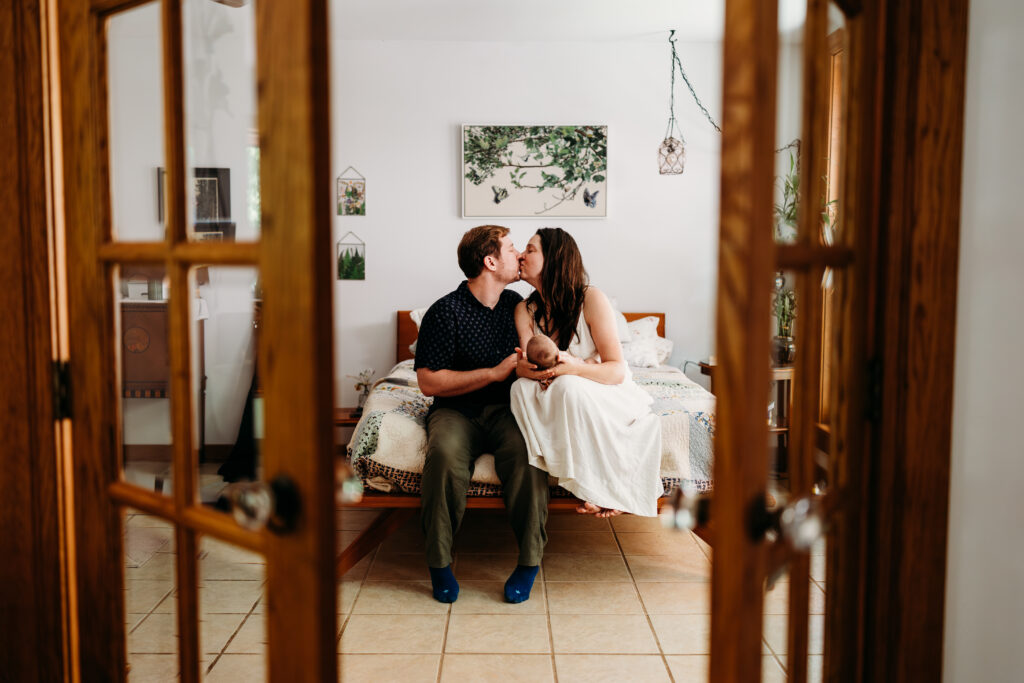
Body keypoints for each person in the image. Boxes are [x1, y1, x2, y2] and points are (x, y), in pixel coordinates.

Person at [414, 225, 550, 604]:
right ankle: (440, 564)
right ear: (490, 261)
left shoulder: (518, 306)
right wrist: (492, 373)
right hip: (456, 411)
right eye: (511, 248)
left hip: (508, 410)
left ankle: (529, 563)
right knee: (443, 456)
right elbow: (427, 381)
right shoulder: (445, 312)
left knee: (529, 456)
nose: (518, 255)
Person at [511, 227, 663, 518]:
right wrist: (528, 370)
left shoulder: (591, 298)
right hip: (551, 388)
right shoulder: (524, 310)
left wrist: (575, 369)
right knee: (519, 389)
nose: (520, 255)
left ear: (553, 258)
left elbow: (616, 370)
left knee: (568, 386)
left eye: (530, 250)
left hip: (602, 386)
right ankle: (574, 471)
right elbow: (526, 365)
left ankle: (600, 488)